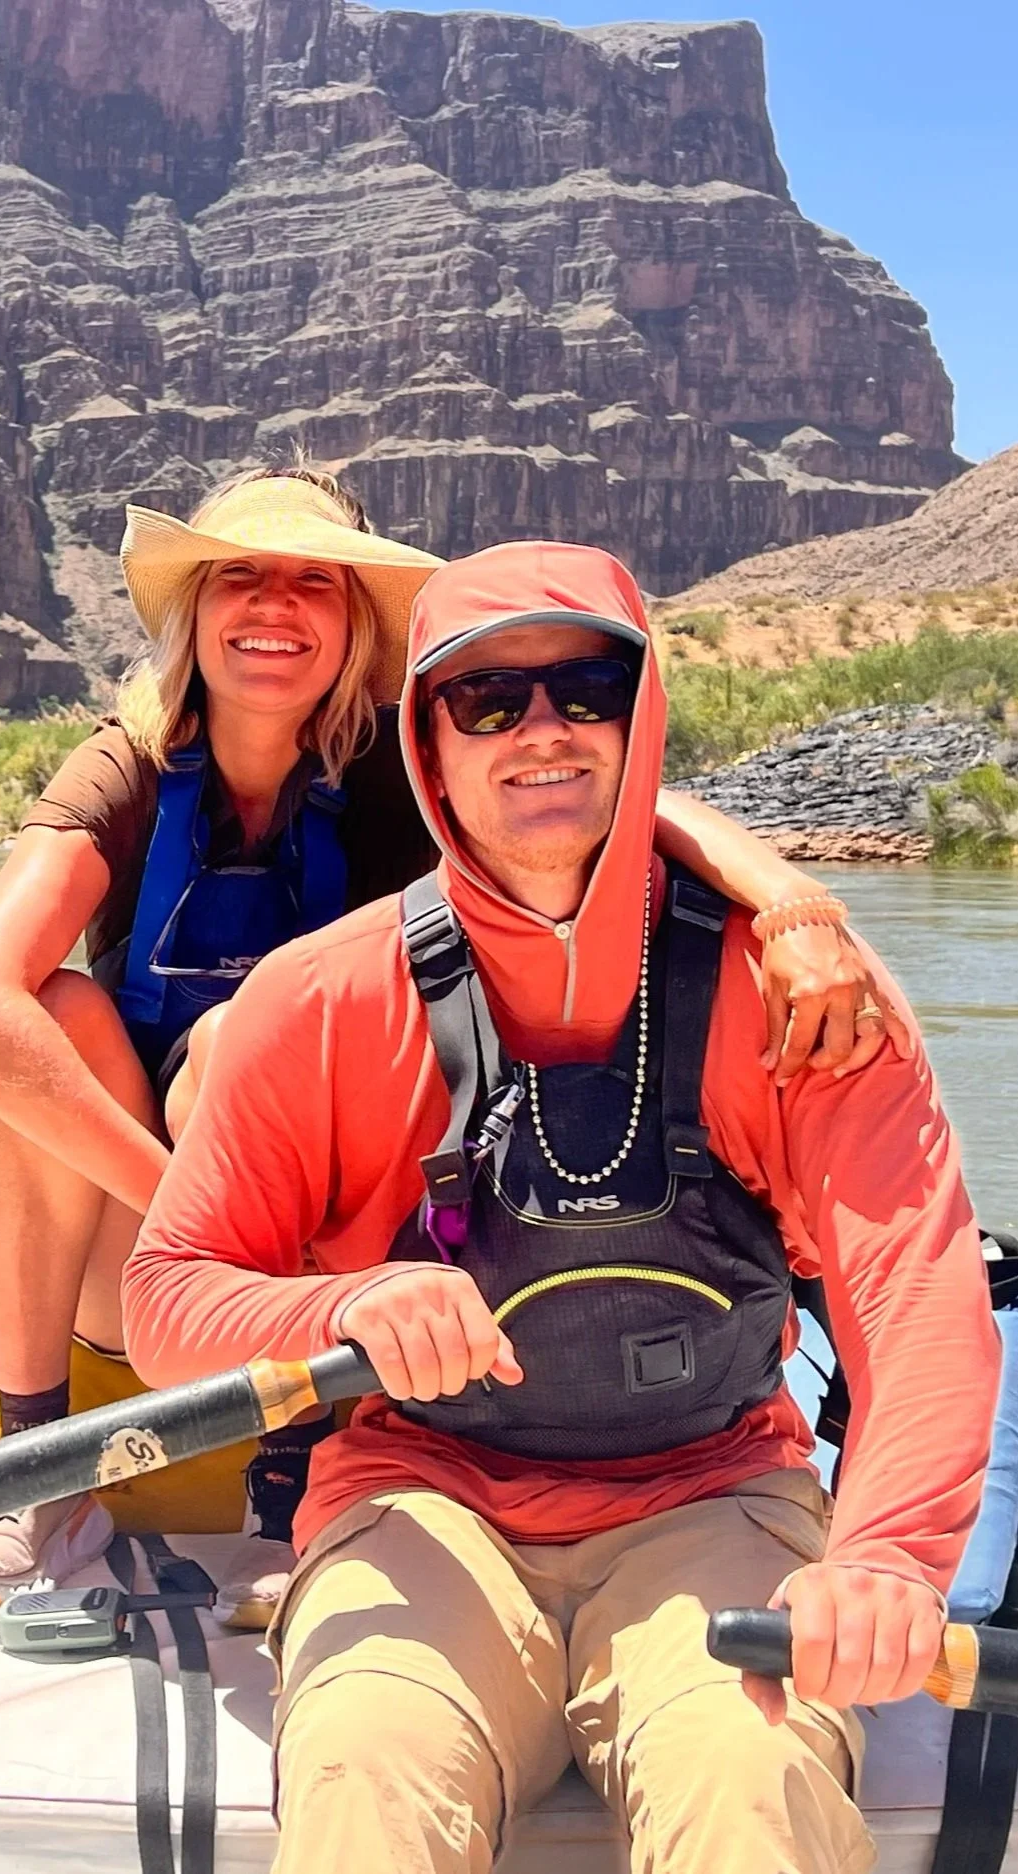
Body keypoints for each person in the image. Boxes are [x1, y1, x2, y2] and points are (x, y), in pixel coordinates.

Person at [123, 539, 999, 1874]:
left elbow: (915, 1299)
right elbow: (167, 1299)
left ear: (640, 716)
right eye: (487, 699)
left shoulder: (811, 998)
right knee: (366, 1769)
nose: (541, 729)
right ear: (428, 743)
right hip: (418, 1499)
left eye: (585, 688)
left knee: (750, 1780)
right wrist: (345, 1304)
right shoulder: (315, 999)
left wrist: (885, 1557)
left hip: (719, 1497)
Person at [0, 469, 903, 1617]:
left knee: (256, 1038)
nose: (274, 604)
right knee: (42, 1016)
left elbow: (625, 804)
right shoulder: (126, 762)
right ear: (195, 612)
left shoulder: (408, 762)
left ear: (355, 624)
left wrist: (791, 905)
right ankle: (32, 1474)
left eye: (313, 581)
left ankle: (290, 1479)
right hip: (160, 1253)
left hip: (331, 1252)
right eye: (241, 576)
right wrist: (195, 1232)